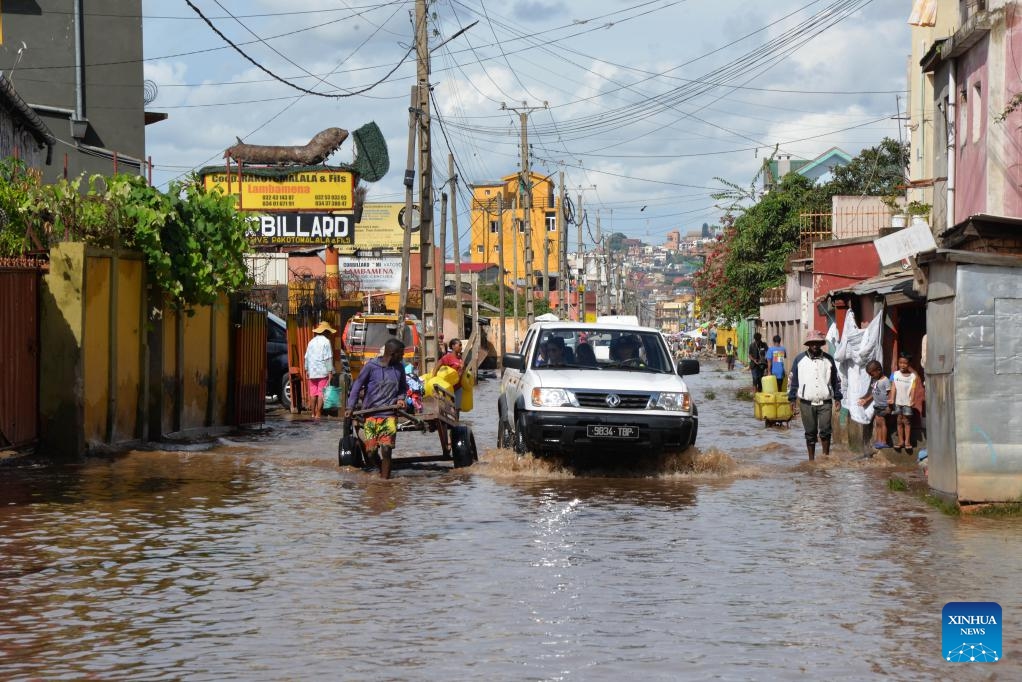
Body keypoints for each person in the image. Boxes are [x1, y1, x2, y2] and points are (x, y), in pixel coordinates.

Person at [346, 338, 408, 479]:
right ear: (392, 353)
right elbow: (357, 386)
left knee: (386, 449)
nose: (402, 357)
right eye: (401, 354)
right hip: (371, 414)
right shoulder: (371, 366)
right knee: (371, 452)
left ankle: (385, 482)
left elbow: (403, 387)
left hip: (390, 414)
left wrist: (400, 399)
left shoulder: (399, 368)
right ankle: (383, 472)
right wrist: (350, 406)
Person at [787, 330, 843, 461]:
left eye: (818, 343)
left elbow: (835, 380)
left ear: (821, 344)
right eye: (812, 343)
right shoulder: (799, 359)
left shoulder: (828, 359)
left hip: (825, 402)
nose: (815, 346)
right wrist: (792, 399)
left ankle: (825, 458)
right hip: (806, 402)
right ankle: (811, 460)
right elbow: (792, 380)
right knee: (810, 433)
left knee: (825, 430)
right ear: (808, 344)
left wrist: (838, 397)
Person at [889, 352, 922, 455]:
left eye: (905, 363)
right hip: (897, 402)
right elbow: (893, 387)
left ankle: (907, 441)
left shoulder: (913, 376)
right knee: (899, 421)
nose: (902, 365)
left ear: (909, 364)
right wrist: (892, 399)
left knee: (907, 421)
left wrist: (912, 400)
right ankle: (900, 441)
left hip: (907, 402)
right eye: (900, 362)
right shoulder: (895, 374)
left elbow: (912, 389)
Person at [304, 320, 336, 421]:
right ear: (326, 332)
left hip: (312, 372)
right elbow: (328, 358)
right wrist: (330, 371)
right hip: (323, 371)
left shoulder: (311, 342)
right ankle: (318, 413)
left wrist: (306, 370)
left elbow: (306, 358)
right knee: (321, 393)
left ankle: (313, 414)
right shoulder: (326, 342)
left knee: (313, 393)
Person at [858, 359, 890, 453]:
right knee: (878, 423)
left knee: (883, 423)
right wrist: (866, 400)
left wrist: (889, 405)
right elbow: (873, 393)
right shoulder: (875, 380)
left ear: (879, 370)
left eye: (872, 374)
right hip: (877, 405)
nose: (871, 376)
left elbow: (889, 393)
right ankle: (878, 440)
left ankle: (883, 441)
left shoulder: (885, 380)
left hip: (883, 405)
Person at [436, 338, 466, 407]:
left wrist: (462, 368)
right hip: (449, 388)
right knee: (448, 408)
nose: (461, 347)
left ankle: (457, 418)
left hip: (458, 387)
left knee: (457, 409)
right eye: (460, 345)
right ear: (453, 346)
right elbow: (437, 366)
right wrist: (433, 378)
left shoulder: (460, 358)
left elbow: (460, 373)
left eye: (461, 346)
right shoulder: (448, 357)